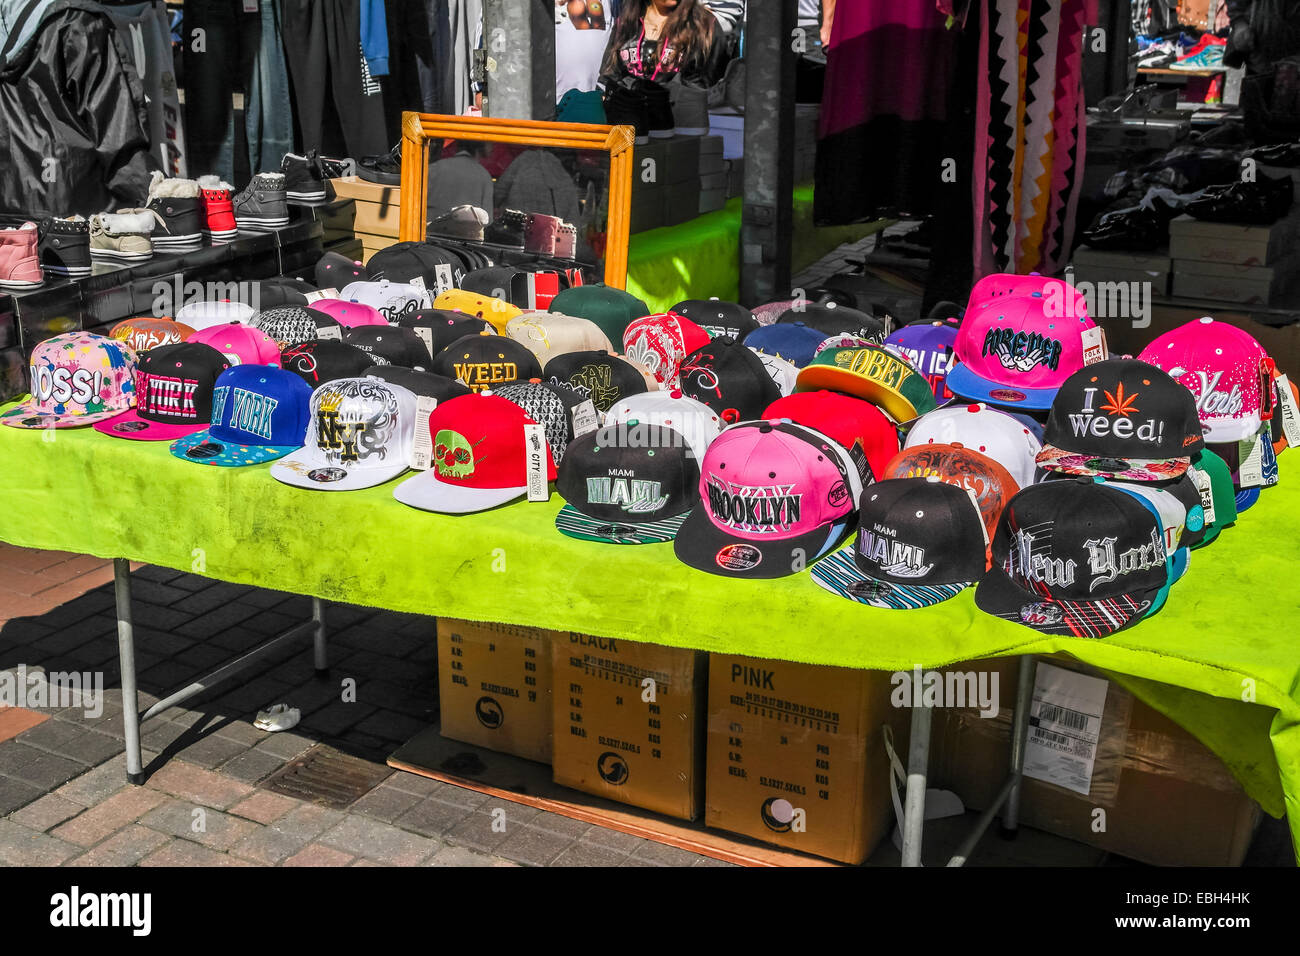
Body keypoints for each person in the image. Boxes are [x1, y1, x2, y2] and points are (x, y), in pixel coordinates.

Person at [598, 0, 729, 90]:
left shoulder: (705, 26)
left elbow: (711, 86)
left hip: (682, 123)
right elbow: (609, 76)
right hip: (628, 119)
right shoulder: (627, 21)